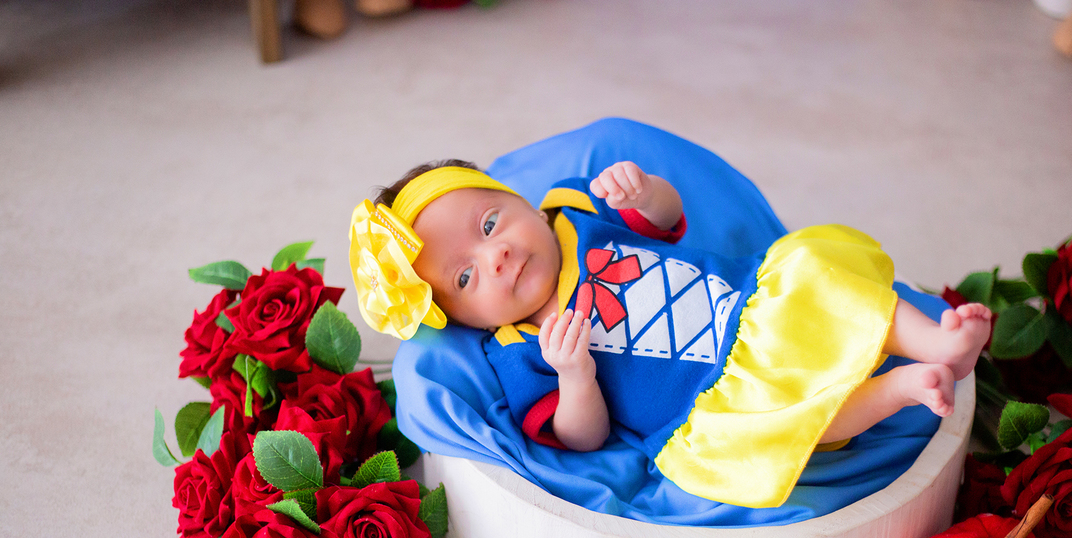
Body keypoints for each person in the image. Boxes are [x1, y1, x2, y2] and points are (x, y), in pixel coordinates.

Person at [348, 161, 991, 508]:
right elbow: (583, 439)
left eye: (490, 223)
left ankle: (935, 344)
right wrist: (576, 377)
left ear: (515, 198)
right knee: (778, 433)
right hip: (709, 401)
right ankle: (901, 389)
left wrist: (647, 194)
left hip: (751, 302)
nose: (494, 258)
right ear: (459, 319)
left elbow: (666, 225)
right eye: (464, 276)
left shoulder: (571, 210)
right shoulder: (518, 351)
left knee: (819, 275)